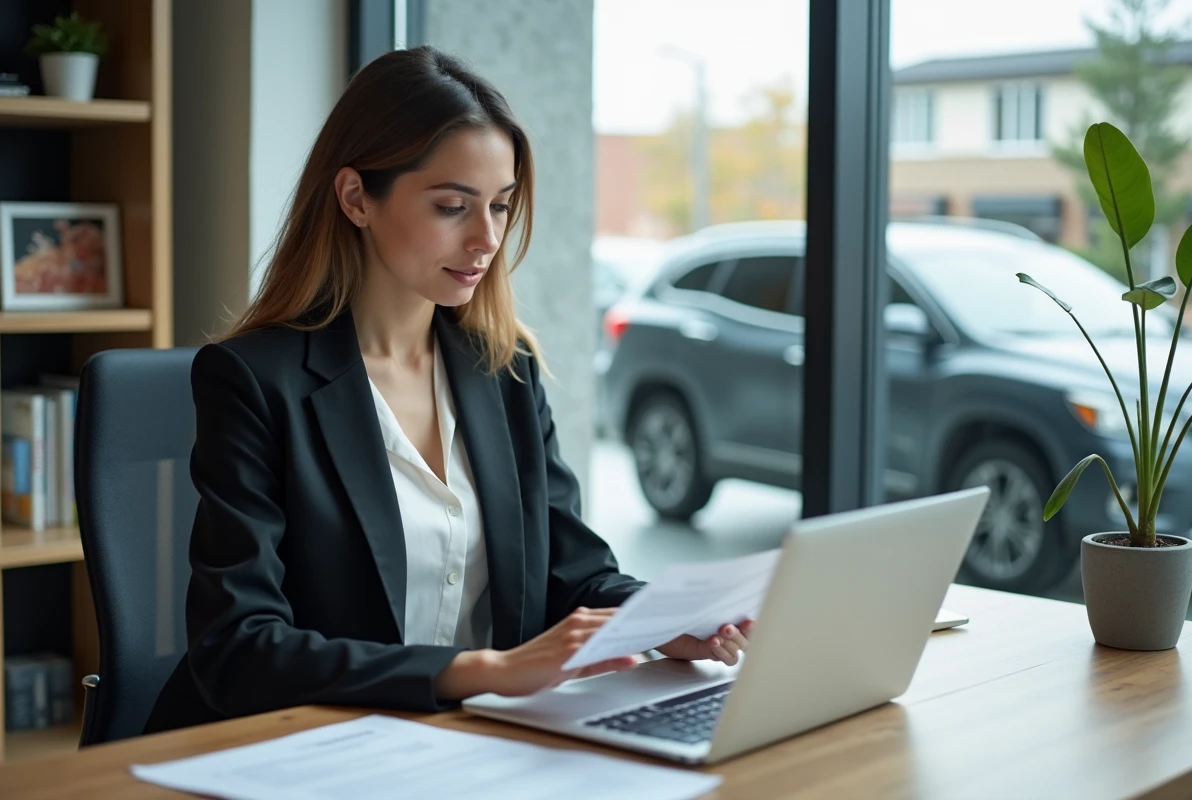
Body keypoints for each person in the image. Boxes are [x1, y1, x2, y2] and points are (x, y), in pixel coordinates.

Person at [144, 46, 752, 735]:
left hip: (469, 743)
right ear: (355, 198)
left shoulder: (505, 368)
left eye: (500, 206)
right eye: (452, 206)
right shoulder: (256, 381)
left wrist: (667, 622)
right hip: (302, 745)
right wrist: (480, 670)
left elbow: (574, 574)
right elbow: (239, 649)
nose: (486, 238)